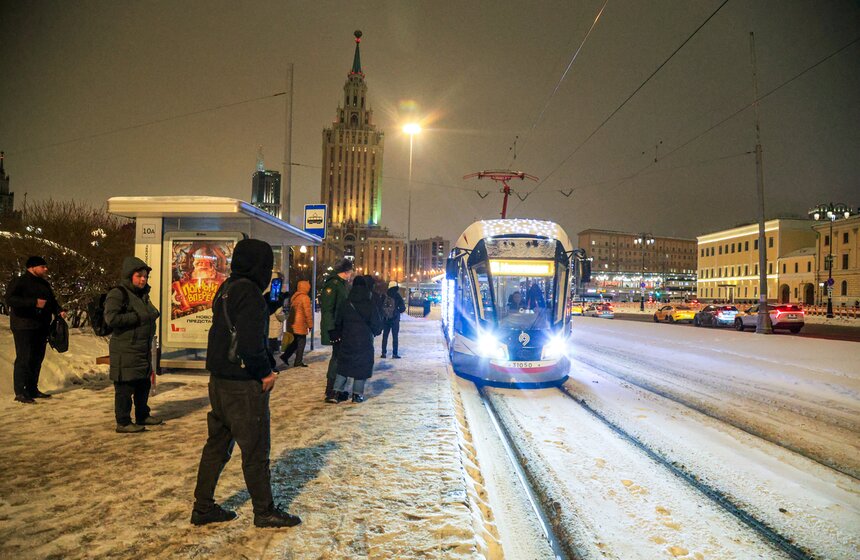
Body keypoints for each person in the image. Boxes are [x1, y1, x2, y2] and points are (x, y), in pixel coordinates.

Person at [191, 238, 301, 529]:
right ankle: (264, 512)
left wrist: (269, 303)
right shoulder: (250, 294)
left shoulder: (227, 288)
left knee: (216, 446)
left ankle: (203, 507)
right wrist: (265, 372)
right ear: (259, 266)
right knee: (255, 451)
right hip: (243, 385)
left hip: (219, 380)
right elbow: (251, 343)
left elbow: (237, 326)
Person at [103, 257, 161, 433]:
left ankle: (143, 415)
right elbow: (111, 318)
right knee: (125, 387)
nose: (143, 279)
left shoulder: (142, 295)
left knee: (143, 385)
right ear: (130, 276)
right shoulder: (118, 293)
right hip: (125, 349)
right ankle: (123, 422)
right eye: (139, 276)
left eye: (145, 276)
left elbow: (147, 313)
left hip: (141, 348)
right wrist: (136, 318)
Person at [5, 256, 66, 404]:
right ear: (32, 267)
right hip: (23, 325)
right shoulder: (20, 281)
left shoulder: (43, 283)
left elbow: (51, 301)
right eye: (42, 267)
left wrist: (59, 310)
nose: (46, 269)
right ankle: (20, 391)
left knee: (37, 358)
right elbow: (9, 299)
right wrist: (33, 303)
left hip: (41, 326)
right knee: (24, 358)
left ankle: (32, 388)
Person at [327, 276, 383, 404]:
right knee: (361, 366)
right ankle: (357, 394)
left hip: (347, 339)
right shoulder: (370, 304)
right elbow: (377, 325)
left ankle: (336, 392)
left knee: (343, 365)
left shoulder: (346, 303)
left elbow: (338, 322)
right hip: (364, 341)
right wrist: (374, 332)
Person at [321, 258, 354, 400]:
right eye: (351, 270)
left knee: (341, 357)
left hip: (342, 327)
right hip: (336, 328)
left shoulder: (343, 284)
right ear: (346, 271)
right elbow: (328, 309)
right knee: (337, 358)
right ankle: (332, 390)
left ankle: (337, 389)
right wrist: (331, 330)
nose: (352, 273)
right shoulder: (333, 284)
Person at [280, 279, 312, 367]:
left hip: (293, 324)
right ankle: (298, 361)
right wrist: (310, 325)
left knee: (295, 343)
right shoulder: (305, 298)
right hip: (300, 324)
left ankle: (285, 356)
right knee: (301, 342)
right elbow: (307, 313)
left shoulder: (295, 297)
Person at [381, 281, 406, 359]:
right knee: (395, 337)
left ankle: (383, 353)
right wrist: (397, 311)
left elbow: (380, 306)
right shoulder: (397, 296)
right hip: (395, 319)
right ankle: (395, 354)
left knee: (385, 336)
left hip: (386, 319)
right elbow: (403, 308)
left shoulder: (384, 295)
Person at [267, 272, 286, 354]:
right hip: (273, 323)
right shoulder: (275, 291)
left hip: (266, 321)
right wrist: (284, 317)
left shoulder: (266, 289)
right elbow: (278, 311)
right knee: (271, 346)